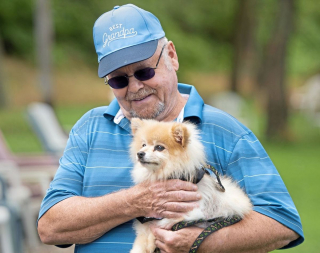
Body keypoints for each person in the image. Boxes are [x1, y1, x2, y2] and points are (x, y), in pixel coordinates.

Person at [37, 4, 304, 252]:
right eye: (119, 80)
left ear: (172, 57)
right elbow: (50, 227)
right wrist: (135, 201)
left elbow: (282, 224)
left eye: (144, 72)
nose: (135, 87)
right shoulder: (89, 128)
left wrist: (201, 243)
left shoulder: (226, 131)